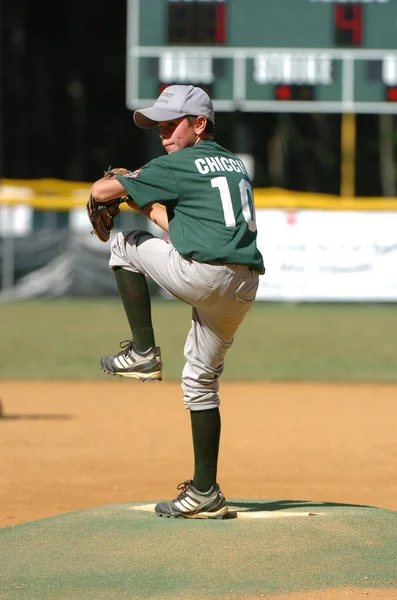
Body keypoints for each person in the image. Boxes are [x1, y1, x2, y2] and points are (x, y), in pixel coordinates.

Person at [90, 84, 265, 519]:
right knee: (200, 381)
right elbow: (182, 231)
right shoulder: (233, 164)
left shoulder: (180, 163)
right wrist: (137, 196)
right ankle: (205, 493)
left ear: (199, 123)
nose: (164, 134)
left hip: (205, 277)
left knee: (124, 244)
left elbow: (99, 190)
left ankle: (144, 352)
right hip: (242, 286)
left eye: (171, 124)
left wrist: (119, 188)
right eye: (159, 126)